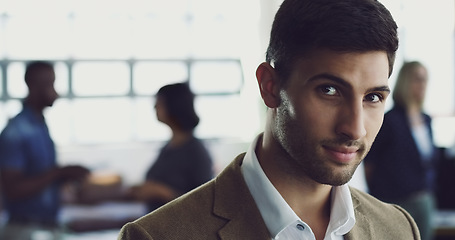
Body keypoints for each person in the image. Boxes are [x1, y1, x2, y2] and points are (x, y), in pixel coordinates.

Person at [118, 0, 421, 239]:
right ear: (270, 86)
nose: (354, 127)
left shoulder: (398, 229)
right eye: (329, 90)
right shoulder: (156, 236)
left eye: (373, 98)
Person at [0, 61, 90, 240]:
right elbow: (13, 189)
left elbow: (41, 178)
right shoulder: (16, 132)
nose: (56, 92)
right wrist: (57, 173)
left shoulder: (41, 126)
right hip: (25, 229)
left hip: (47, 226)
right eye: (50, 84)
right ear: (32, 85)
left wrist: (65, 176)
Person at [364, 61, 438, 240]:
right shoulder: (390, 120)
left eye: (425, 80)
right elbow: (370, 164)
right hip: (395, 201)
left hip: (424, 199)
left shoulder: (426, 119)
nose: (422, 85)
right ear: (405, 82)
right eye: (417, 79)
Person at [127, 82, 214, 212]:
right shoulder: (168, 147)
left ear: (174, 105)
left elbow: (204, 205)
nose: (155, 106)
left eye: (159, 102)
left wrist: (163, 193)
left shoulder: (196, 152)